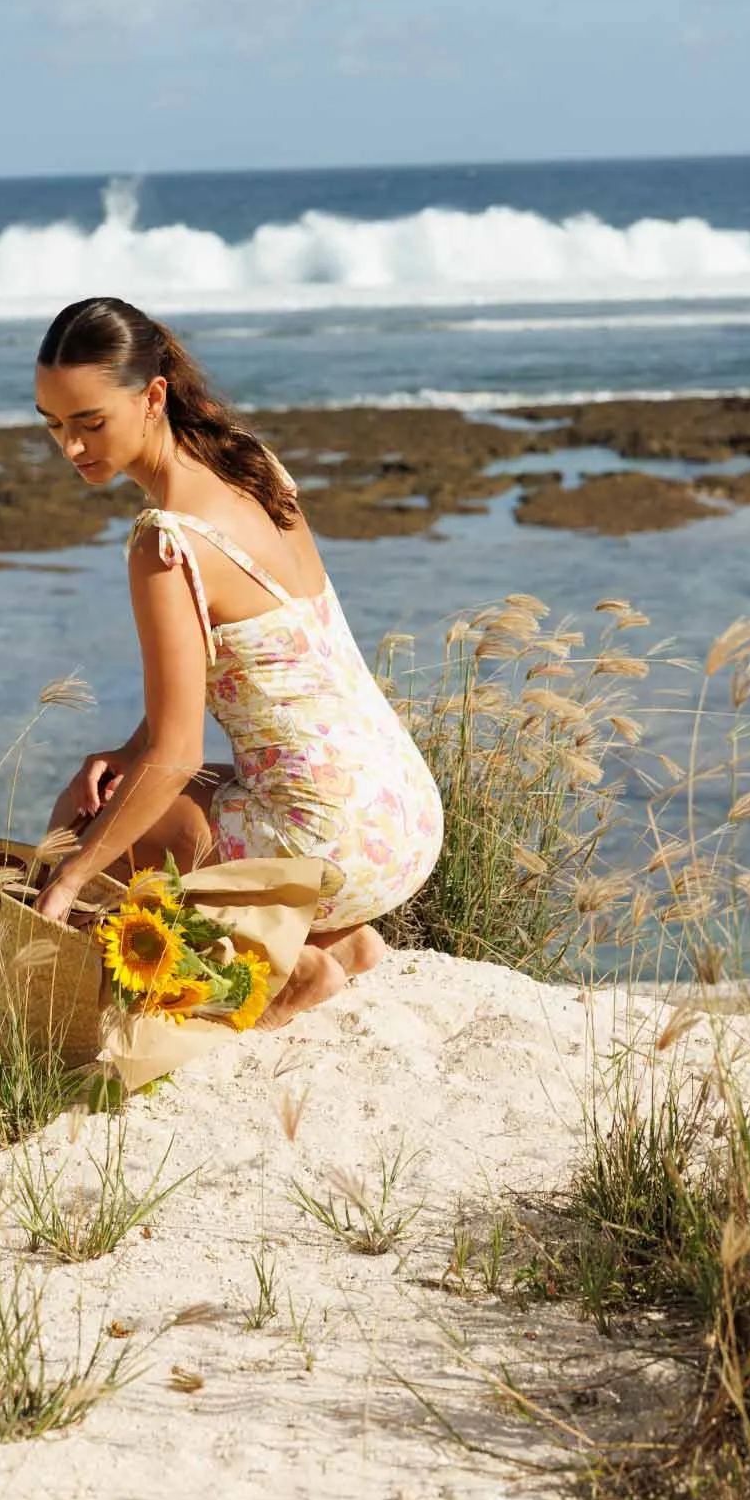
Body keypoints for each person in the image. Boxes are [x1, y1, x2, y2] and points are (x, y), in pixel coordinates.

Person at [31, 296, 443, 1027]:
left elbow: (178, 751)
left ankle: (288, 970)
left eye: (90, 422)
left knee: (80, 815)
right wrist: (128, 749)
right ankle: (342, 942)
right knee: (135, 786)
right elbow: (242, 664)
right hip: (403, 818)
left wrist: (70, 878)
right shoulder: (253, 466)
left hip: (330, 842)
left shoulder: (167, 541)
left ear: (152, 395)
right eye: (54, 425)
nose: (71, 448)